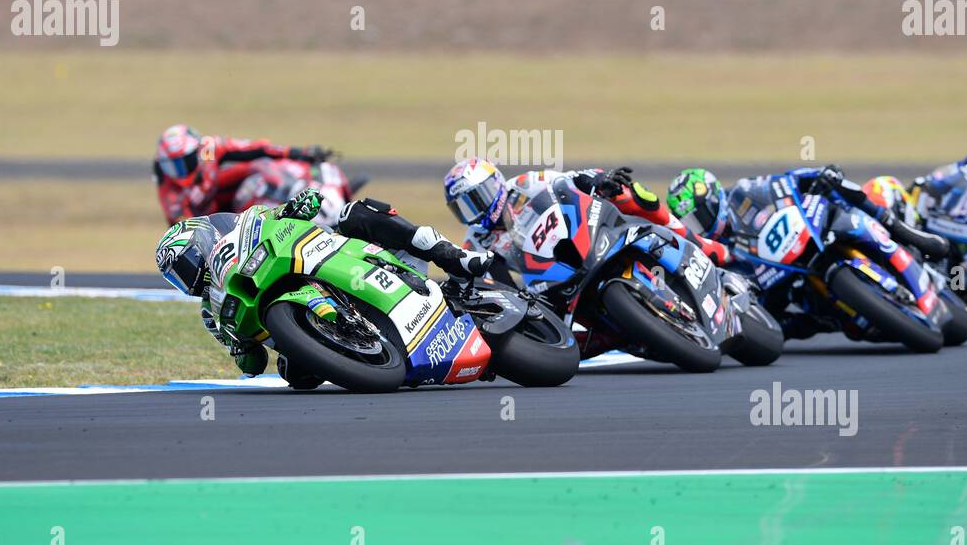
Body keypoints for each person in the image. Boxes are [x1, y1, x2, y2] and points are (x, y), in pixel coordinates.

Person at [155, 188, 491, 386]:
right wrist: (242, 350)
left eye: (183, 265)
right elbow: (253, 366)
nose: (186, 278)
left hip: (333, 256)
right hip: (303, 329)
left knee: (357, 212)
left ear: (202, 242)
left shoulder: (249, 220)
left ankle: (455, 257)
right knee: (295, 378)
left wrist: (299, 206)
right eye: (177, 278)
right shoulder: (211, 315)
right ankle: (365, 344)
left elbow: (292, 210)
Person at [667, 165, 949, 339]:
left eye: (699, 215)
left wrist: (817, 176)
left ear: (714, 197)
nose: (699, 224)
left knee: (843, 196)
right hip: (781, 278)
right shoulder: (711, 247)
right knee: (797, 324)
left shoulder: (742, 192)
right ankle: (833, 319)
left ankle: (908, 235)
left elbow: (782, 182)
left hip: (808, 232)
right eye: (691, 222)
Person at [443, 158, 732, 283]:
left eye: (477, 197)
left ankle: (698, 243)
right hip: (547, 285)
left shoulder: (524, 183)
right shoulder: (476, 241)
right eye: (464, 207)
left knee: (629, 193)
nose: (475, 210)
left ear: (494, 183)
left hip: (582, 236)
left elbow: (568, 179)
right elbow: (495, 287)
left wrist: (600, 180)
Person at [153, 123, 334, 223]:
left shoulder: (209, 149)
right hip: (211, 223)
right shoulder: (170, 193)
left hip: (221, 196)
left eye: (184, 162)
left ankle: (303, 193)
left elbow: (256, 148)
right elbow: (185, 229)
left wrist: (299, 153)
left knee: (258, 167)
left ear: (197, 152)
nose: (179, 171)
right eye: (171, 166)